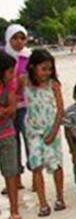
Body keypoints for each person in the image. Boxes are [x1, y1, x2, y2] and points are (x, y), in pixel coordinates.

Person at [25, 49, 65, 216]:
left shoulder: (53, 84)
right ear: (33, 67)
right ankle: (42, 203)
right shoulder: (24, 81)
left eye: (50, 69)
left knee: (56, 164)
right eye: (44, 69)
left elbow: (60, 110)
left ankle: (60, 197)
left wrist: (54, 131)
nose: (47, 72)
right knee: (36, 166)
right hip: (33, 131)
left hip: (51, 129)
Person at [4, 24, 31, 181]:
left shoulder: (29, 56)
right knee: (12, 143)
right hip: (9, 106)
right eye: (14, 38)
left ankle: (35, 173)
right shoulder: (4, 58)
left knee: (29, 140)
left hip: (27, 105)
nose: (19, 41)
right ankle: (16, 179)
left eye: (22, 38)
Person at [0, 51, 21, 219]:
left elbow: (13, 110)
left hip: (7, 134)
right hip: (5, 130)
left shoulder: (11, 85)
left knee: (11, 173)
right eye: (9, 71)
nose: (13, 74)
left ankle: (15, 211)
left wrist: (4, 111)